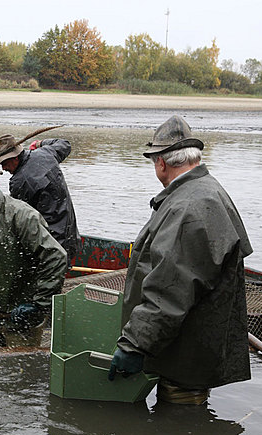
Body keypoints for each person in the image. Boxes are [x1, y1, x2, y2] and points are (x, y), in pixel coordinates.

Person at [108, 115, 253, 405]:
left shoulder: (189, 205)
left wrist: (134, 345)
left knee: (177, 426)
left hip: (186, 357)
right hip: (190, 347)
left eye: (154, 161)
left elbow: (170, 291)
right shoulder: (205, 190)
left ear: (161, 162)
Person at [0, 152, 67, 347]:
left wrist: (37, 305)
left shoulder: (21, 215)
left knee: (21, 369)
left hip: (22, 316)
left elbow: (56, 257)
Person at [0, 133, 79, 265]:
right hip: (70, 236)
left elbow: (17, 219)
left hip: (50, 242)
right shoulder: (45, 153)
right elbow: (64, 144)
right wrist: (40, 143)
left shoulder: (20, 182)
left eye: (5, 163)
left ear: (15, 157)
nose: (3, 168)